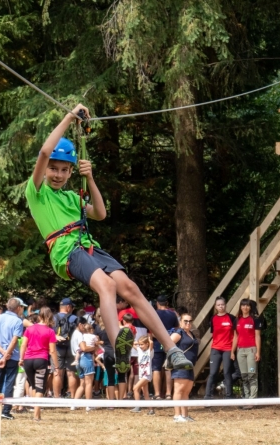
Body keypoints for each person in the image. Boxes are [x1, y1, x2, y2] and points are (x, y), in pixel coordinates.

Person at [25, 105, 193, 375]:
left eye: (63, 170)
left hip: (89, 247)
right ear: (45, 171)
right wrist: (69, 117)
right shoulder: (37, 193)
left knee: (131, 288)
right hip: (65, 250)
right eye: (53, 169)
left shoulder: (72, 197)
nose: (56, 174)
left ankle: (171, 350)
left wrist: (90, 178)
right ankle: (119, 347)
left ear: (70, 173)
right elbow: (45, 152)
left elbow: (101, 213)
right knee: (106, 285)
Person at [19, 307, 59, 420]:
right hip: (41, 360)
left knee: (34, 386)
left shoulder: (30, 329)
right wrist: (56, 366)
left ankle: (37, 413)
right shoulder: (50, 331)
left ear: (39, 316)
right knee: (40, 388)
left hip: (28, 360)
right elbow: (52, 351)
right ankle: (36, 415)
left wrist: (21, 359)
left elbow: (23, 345)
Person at [0, 298, 26, 420]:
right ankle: (5, 410)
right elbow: (14, 340)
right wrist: (6, 354)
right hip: (12, 356)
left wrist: (1, 352)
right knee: (9, 383)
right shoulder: (17, 321)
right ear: (19, 308)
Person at [233, 299, 264, 408]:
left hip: (251, 350)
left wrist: (258, 352)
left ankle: (252, 401)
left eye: (247, 305)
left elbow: (257, 336)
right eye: (243, 305)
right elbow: (235, 336)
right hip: (240, 351)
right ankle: (246, 399)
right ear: (240, 307)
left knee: (252, 375)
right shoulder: (237, 320)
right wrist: (233, 351)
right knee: (244, 376)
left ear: (250, 307)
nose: (245, 307)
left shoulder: (255, 319)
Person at [204, 297, 236, 400]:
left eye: (222, 304)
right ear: (215, 307)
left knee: (227, 372)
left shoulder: (231, 318)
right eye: (218, 305)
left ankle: (229, 396)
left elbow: (236, 335)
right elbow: (213, 334)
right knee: (213, 372)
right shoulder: (213, 318)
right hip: (216, 349)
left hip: (228, 348)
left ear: (225, 305)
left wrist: (232, 351)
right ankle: (208, 396)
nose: (221, 306)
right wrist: (211, 349)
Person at [170, 311, 198, 422]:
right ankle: (177, 416)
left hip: (190, 366)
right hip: (181, 365)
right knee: (178, 390)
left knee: (186, 392)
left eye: (190, 321)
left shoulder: (191, 333)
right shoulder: (179, 333)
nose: (188, 323)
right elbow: (168, 345)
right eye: (185, 321)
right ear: (180, 322)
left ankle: (185, 415)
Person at [152, 295, 179, 400]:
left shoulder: (154, 313)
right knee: (168, 368)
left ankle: (157, 394)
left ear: (157, 303)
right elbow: (177, 328)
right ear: (167, 303)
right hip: (169, 342)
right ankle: (168, 393)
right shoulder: (172, 314)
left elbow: (151, 329)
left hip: (157, 342)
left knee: (156, 368)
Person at [52, 298, 79, 399]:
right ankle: (72, 397)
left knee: (57, 372)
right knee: (71, 373)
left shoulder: (53, 318)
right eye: (72, 307)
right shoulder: (74, 318)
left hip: (57, 348)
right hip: (71, 348)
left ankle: (56, 397)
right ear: (68, 307)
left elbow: (50, 333)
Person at [72, 317, 98, 411]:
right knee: (89, 383)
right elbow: (84, 348)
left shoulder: (74, 334)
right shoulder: (79, 334)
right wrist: (94, 348)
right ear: (80, 325)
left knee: (82, 383)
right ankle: (88, 405)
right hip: (86, 358)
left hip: (78, 360)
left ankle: (74, 404)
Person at [130, 336, 154, 415]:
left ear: (147, 344)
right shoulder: (139, 351)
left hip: (147, 375)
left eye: (142, 344)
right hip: (141, 375)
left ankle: (138, 406)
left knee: (135, 388)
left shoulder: (150, 352)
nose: (140, 346)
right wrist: (137, 343)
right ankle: (151, 410)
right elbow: (131, 344)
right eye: (139, 344)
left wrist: (149, 338)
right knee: (145, 393)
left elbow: (151, 343)